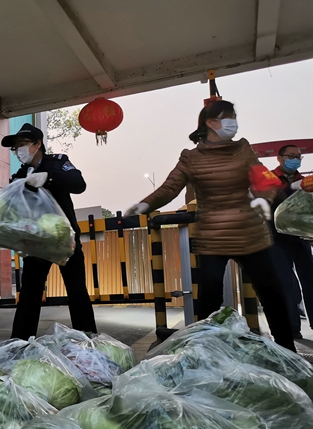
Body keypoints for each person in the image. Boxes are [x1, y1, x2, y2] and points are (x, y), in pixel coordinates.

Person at [124, 100, 296, 351]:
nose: (234, 123)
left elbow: (259, 175)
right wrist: (145, 205)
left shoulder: (242, 148)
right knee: (209, 298)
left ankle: (286, 350)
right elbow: (170, 187)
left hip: (250, 232)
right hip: (214, 236)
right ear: (211, 123)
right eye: (229, 117)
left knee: (272, 292)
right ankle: (208, 352)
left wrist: (262, 197)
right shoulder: (190, 158)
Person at [3, 123, 97, 340]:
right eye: (15, 148)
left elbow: (78, 184)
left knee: (76, 291)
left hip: (65, 241)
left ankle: (88, 339)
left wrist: (48, 178)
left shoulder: (57, 163)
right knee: (29, 295)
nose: (19, 151)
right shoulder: (21, 173)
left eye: (23, 145)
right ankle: (20, 342)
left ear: (37, 144)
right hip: (37, 243)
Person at [268, 144, 313, 338]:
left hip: (300, 238)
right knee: (286, 282)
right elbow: (273, 195)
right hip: (276, 238)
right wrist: (295, 187)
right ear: (279, 158)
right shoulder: (269, 178)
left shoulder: (305, 181)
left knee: (310, 281)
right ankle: (292, 328)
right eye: (291, 156)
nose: (295, 159)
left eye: (298, 157)